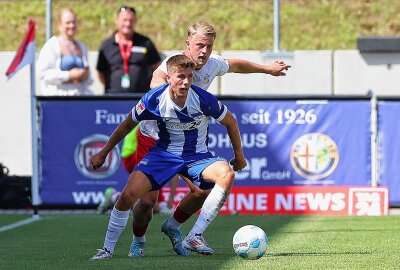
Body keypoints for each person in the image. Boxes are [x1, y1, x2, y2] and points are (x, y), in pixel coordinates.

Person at [120, 21, 291, 257]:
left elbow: (236, 65)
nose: (204, 51)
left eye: (209, 46)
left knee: (202, 192)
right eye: (200, 45)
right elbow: (156, 79)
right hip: (156, 140)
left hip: (190, 142)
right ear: (187, 44)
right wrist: (170, 95)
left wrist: (266, 68)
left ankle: (174, 228)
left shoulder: (212, 63)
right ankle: (138, 240)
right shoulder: (173, 63)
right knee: (148, 203)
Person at [90, 55, 246, 260]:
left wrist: (239, 156)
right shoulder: (154, 98)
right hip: (164, 155)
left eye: (190, 77)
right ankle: (110, 249)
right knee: (130, 196)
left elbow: (231, 122)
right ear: (169, 77)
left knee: (226, 174)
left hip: (196, 157)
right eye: (181, 76)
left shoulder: (202, 98)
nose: (186, 82)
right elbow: (127, 124)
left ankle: (192, 234)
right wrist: (104, 152)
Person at [96, 6, 161, 94]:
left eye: (131, 20)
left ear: (135, 22)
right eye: (124, 20)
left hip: (140, 98)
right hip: (113, 98)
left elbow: (157, 67)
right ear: (117, 21)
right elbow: (101, 73)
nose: (128, 24)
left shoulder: (145, 42)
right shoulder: (107, 46)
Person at [37, 8, 93, 96]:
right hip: (59, 98)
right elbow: (43, 74)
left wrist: (85, 75)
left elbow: (89, 80)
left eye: (74, 22)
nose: (71, 26)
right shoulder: (52, 45)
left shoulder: (82, 46)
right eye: (68, 23)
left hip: (79, 97)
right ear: (60, 25)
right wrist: (69, 75)